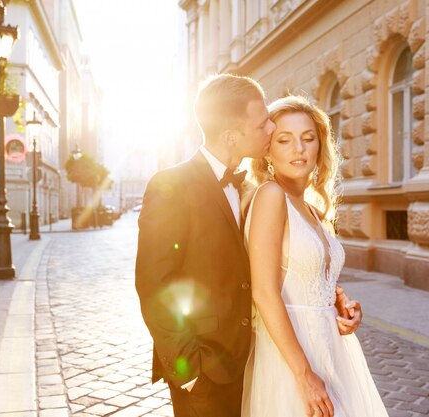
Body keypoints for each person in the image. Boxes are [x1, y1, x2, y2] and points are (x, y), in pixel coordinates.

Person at [135, 74, 362, 417]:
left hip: (257, 359)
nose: (271, 129)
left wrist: (333, 295)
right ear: (231, 135)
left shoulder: (250, 191)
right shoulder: (172, 185)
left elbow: (276, 265)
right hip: (206, 372)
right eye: (263, 125)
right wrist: (189, 372)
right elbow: (153, 283)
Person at [241, 95, 388, 417]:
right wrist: (304, 375)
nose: (299, 149)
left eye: (308, 139)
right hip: (292, 356)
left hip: (331, 348)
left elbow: (305, 275)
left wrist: (340, 303)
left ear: (320, 146)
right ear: (267, 148)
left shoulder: (312, 208)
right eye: (285, 139)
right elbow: (264, 292)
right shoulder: (271, 196)